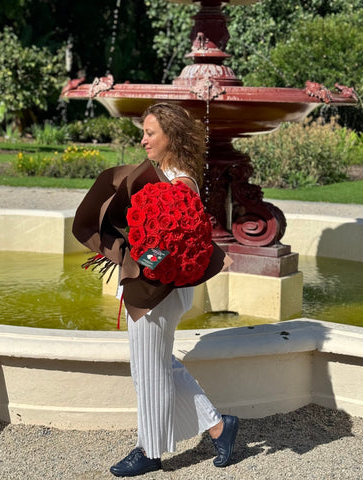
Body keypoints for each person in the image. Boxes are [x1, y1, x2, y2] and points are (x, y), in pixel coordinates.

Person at [109, 103, 239, 477]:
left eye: (151, 133)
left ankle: (149, 451)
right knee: (155, 366)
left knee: (150, 370)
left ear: (172, 137)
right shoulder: (164, 174)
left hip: (159, 289)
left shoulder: (179, 182)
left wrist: (138, 256)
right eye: (144, 132)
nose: (143, 139)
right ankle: (218, 426)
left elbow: (169, 243)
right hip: (151, 284)